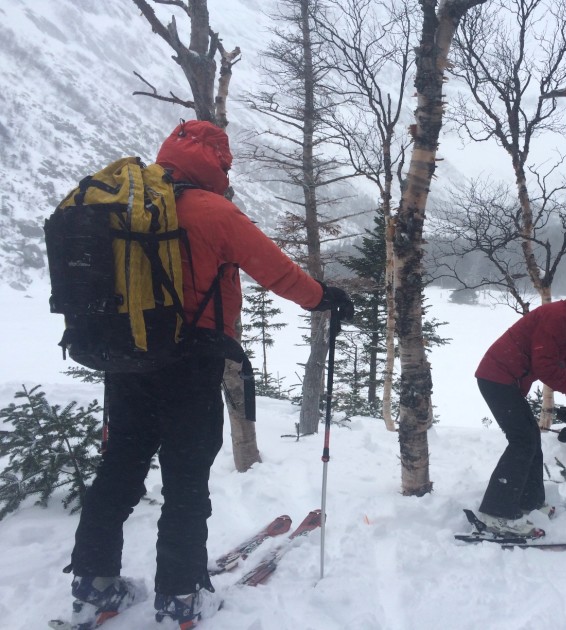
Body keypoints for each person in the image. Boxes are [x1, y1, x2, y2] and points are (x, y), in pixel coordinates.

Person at [64, 120, 354, 628]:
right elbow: (277, 271)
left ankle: (94, 586)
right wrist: (325, 298)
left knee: (119, 467)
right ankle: (181, 596)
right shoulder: (212, 211)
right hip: (188, 362)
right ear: (217, 163)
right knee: (185, 480)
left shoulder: (125, 208)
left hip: (125, 358)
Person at [474, 279, 566, 536]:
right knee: (523, 440)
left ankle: (528, 502)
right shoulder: (557, 318)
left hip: (506, 379)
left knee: (530, 438)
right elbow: (545, 366)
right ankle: (496, 513)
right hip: (496, 377)